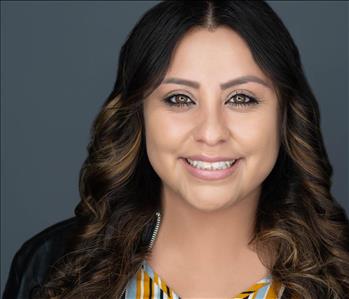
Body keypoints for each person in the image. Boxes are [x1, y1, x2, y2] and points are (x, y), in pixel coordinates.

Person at [3, 1, 349, 298]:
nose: (211, 132)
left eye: (241, 98)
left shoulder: (341, 272)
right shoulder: (50, 267)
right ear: (138, 116)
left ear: (284, 116)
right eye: (179, 99)